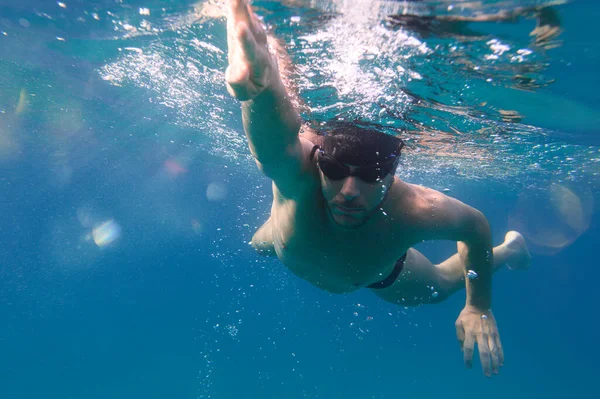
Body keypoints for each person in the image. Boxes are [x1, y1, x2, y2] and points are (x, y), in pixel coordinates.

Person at [224, 0, 531, 377]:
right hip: (280, 237)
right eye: (335, 169)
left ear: (390, 173)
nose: (349, 191)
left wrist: (479, 305)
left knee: (441, 286)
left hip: (377, 273)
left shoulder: (415, 210)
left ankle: (512, 249)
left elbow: (476, 227)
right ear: (320, 159)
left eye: (370, 175)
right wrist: (260, 88)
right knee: (258, 244)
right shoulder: (300, 174)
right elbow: (273, 146)